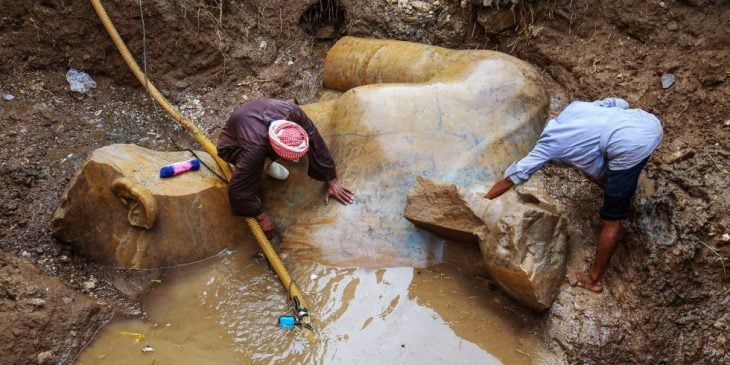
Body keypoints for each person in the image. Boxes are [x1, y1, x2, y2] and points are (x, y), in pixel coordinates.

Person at [484, 97, 663, 292]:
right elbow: (619, 103)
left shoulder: (548, 146)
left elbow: (514, 176)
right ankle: (621, 192)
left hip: (631, 145)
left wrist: (481, 202)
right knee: (594, 163)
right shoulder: (574, 109)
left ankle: (593, 281)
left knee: (611, 220)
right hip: (648, 123)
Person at [217, 98, 354, 239]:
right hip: (233, 144)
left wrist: (331, 179)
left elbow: (315, 142)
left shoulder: (293, 112)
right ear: (272, 147)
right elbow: (237, 191)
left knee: (271, 164)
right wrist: (261, 216)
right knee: (252, 168)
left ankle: (264, 163)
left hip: (255, 120)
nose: (294, 160)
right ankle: (249, 165)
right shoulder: (255, 149)